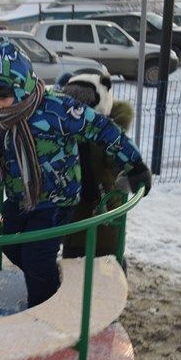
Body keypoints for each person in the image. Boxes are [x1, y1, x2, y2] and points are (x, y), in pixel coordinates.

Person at [0, 42, 151, 308]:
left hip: (57, 200)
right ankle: (47, 281)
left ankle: (46, 310)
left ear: (20, 87)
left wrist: (135, 165)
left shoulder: (57, 109)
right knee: (11, 245)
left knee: (36, 257)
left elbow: (102, 129)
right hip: (20, 198)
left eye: (2, 97)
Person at [57, 72, 137, 262]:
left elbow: (120, 159)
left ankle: (114, 274)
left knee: (105, 254)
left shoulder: (108, 134)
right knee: (73, 254)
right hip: (73, 208)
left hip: (103, 205)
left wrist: (127, 174)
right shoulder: (64, 133)